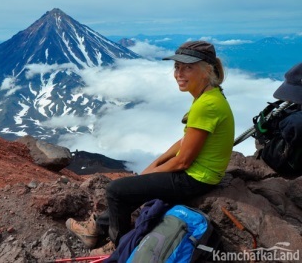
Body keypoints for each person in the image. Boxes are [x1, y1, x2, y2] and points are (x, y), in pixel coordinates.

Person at [65, 40, 235, 256]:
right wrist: (156, 163)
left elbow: (183, 161)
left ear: (206, 70)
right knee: (132, 188)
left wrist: (148, 174)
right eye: (177, 67)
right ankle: (96, 230)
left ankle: (120, 245)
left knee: (116, 191)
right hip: (199, 173)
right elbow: (185, 141)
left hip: (196, 179)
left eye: (188, 67)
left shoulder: (206, 105)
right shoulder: (209, 96)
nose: (179, 73)